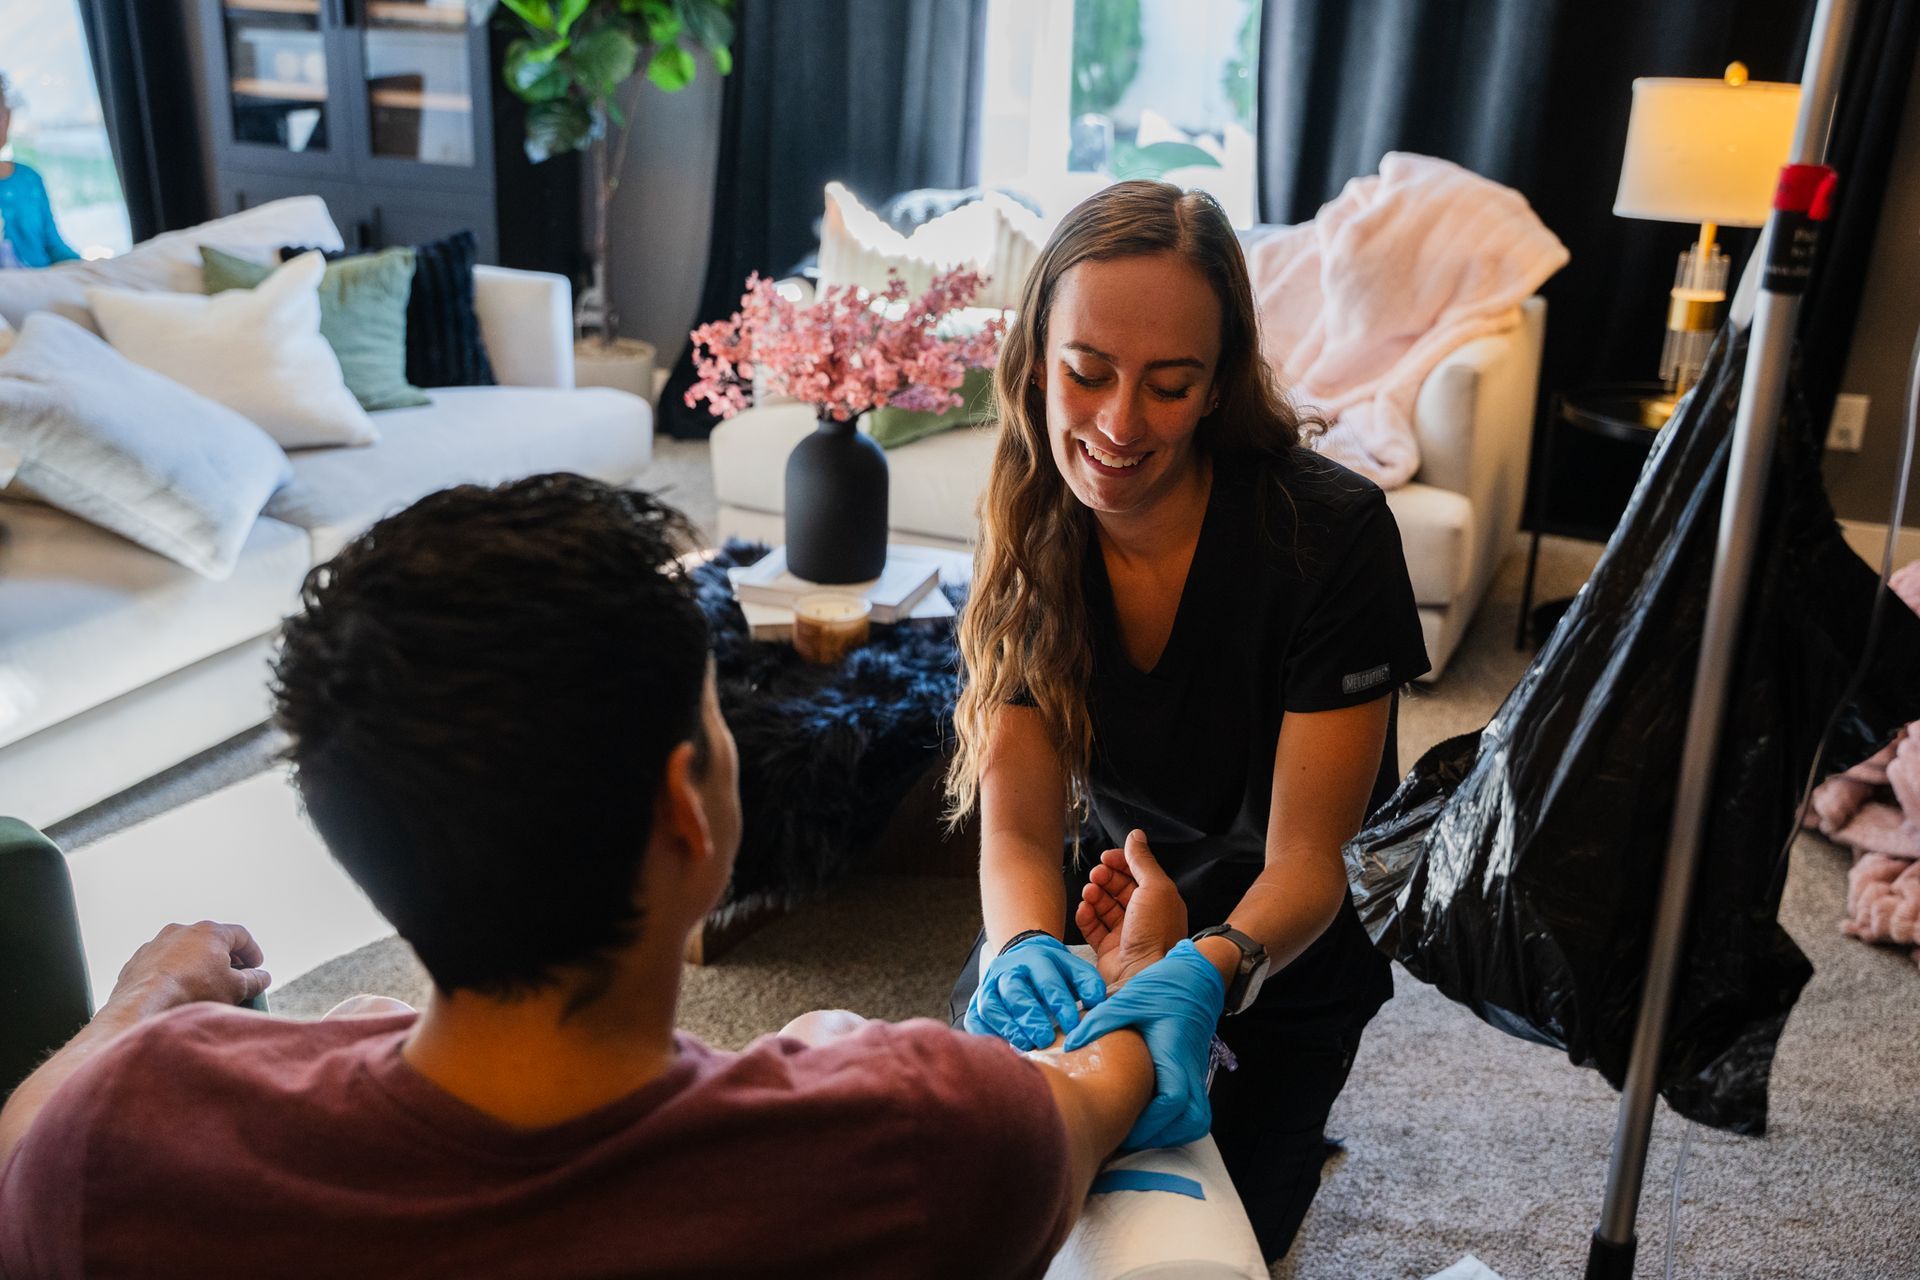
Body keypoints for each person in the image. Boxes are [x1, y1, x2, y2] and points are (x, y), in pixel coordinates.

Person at [0, 474, 1210, 1278]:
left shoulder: (122, 1136)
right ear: (691, 807)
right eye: (720, 718)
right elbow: (1102, 1079)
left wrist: (139, 1003)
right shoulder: (919, 1135)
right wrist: (1136, 969)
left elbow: (27, 1150)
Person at [945, 180, 1430, 1262]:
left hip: (1283, 947)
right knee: (984, 1195)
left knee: (1198, 1246)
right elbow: (1019, 834)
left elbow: (1312, 860)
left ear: (1218, 387)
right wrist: (1026, 947)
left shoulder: (1330, 536)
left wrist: (1202, 968)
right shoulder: (1029, 530)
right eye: (1086, 374)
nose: (1118, 425)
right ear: (1035, 360)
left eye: (1169, 386)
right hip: (1107, 906)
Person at [0, 72, 82, 269]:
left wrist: (87, 269)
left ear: (8, 116)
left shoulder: (28, 178)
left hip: (43, 287)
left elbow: (54, 246)